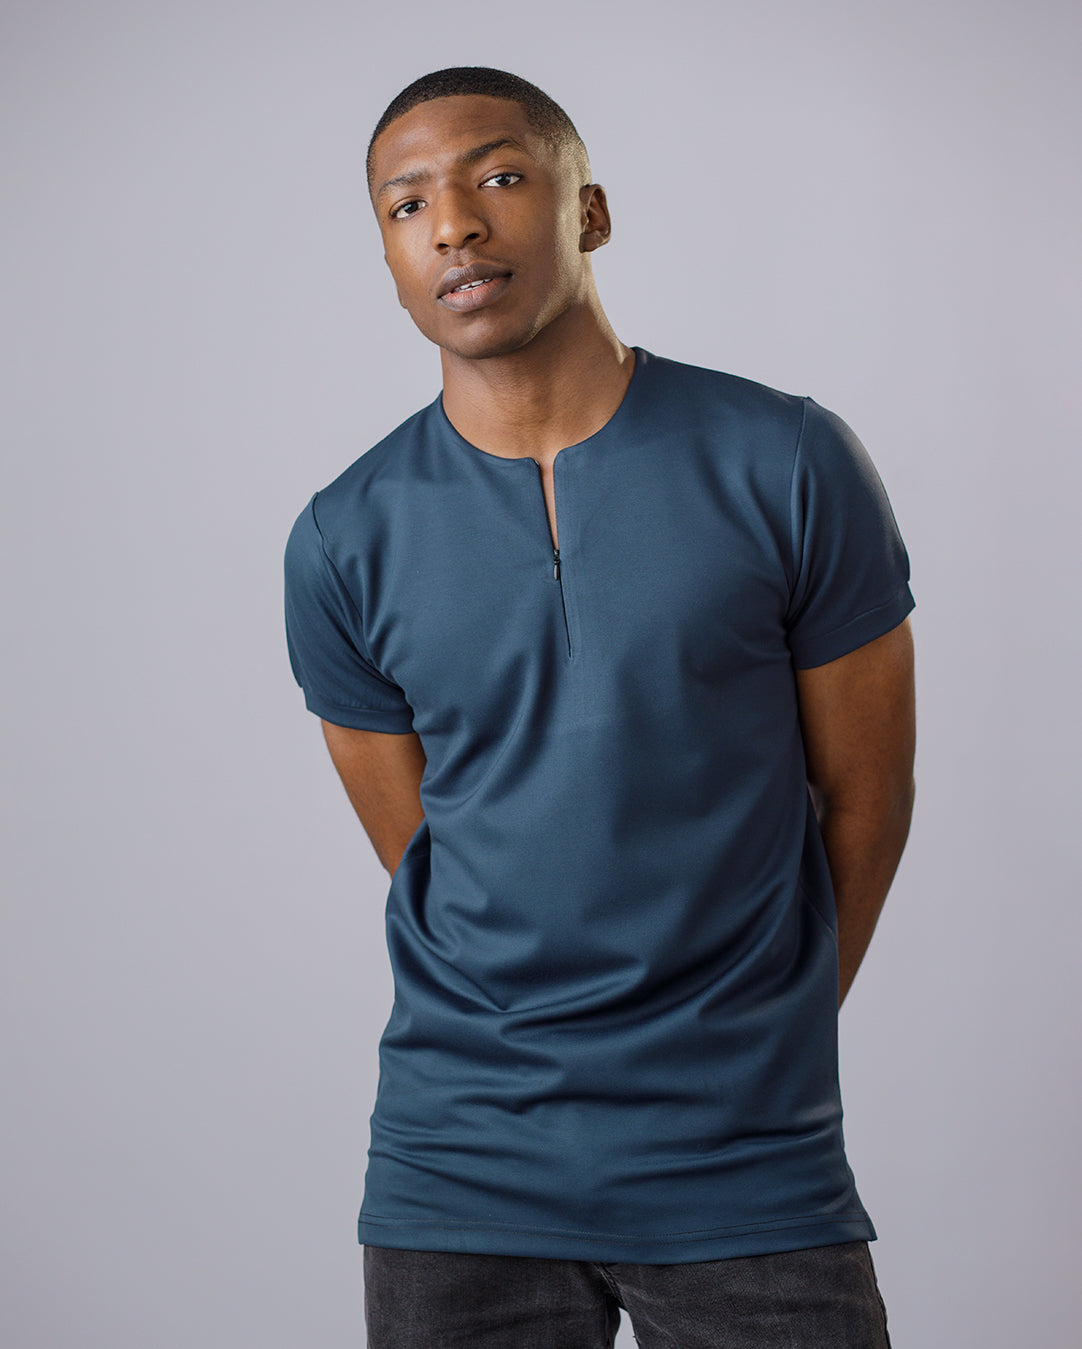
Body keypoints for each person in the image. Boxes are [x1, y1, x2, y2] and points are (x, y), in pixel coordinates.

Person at [284, 65, 915, 1349]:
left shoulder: (787, 459)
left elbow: (864, 794)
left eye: (498, 176)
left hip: (745, 1159)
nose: (454, 224)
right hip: (458, 1169)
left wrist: (766, 1028)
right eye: (407, 205)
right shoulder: (342, 537)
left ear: (590, 211)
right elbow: (425, 850)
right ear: (389, 258)